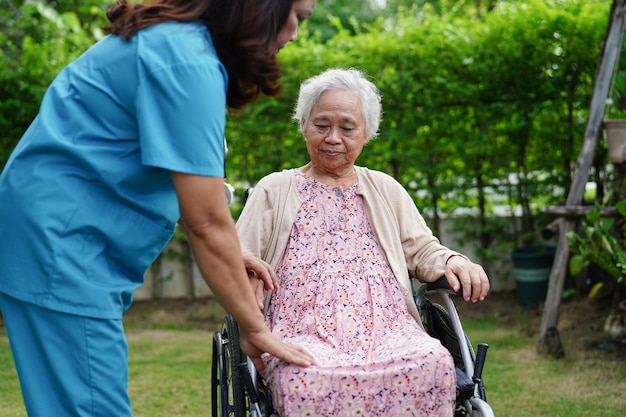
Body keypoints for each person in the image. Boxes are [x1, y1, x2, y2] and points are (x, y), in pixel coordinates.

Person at [0, 0, 317, 415]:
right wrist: (257, 329)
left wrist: (233, 256)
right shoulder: (187, 63)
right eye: (298, 16)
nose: (294, 33)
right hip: (61, 245)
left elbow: (187, 189)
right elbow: (205, 221)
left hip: (53, 237)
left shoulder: (179, 47)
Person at [236, 68, 490, 417]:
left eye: (347, 128)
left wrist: (454, 261)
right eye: (321, 125)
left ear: (367, 133)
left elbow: (424, 249)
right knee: (302, 378)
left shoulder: (385, 189)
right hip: (301, 331)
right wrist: (246, 268)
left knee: (433, 363)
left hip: (389, 330)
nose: (333, 138)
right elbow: (236, 253)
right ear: (303, 126)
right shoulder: (273, 190)